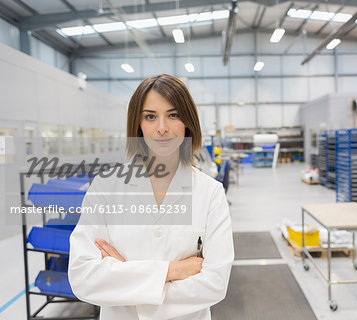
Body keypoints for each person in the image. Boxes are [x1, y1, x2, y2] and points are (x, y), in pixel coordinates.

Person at [68, 74, 234, 320]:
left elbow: (215, 284)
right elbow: (84, 278)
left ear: (188, 121)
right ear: (138, 124)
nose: (162, 127)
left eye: (174, 115)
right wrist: (173, 270)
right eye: (150, 116)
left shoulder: (209, 193)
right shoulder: (106, 187)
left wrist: (124, 278)